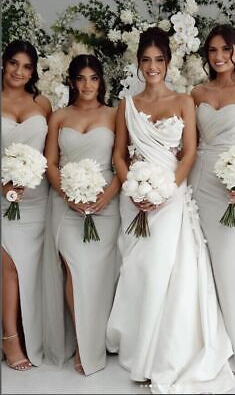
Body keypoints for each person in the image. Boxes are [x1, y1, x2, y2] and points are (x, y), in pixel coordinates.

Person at [106, 27, 235, 394]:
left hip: (171, 195)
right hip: (135, 197)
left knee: (166, 268)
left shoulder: (182, 101)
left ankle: (163, 354)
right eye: (146, 60)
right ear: (138, 63)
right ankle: (139, 348)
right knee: (141, 271)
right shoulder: (127, 105)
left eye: (159, 60)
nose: (152, 67)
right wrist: (132, 187)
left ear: (168, 62)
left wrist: (166, 191)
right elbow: (119, 153)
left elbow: (191, 151)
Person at [188, 24, 235, 373]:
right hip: (200, 178)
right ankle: (206, 344)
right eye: (212, 51)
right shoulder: (196, 92)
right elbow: (187, 143)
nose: (218, 57)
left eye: (224, 50)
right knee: (199, 262)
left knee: (230, 261)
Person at [42, 54, 121, 375]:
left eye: (93, 78)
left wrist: (107, 195)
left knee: (101, 275)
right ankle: (82, 342)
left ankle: (100, 337)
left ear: (101, 81)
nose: (87, 85)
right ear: (72, 82)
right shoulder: (59, 117)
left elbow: (123, 162)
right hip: (66, 204)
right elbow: (50, 163)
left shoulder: (116, 115)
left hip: (106, 204)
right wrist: (67, 193)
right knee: (74, 270)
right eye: (80, 79)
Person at [1, 40, 52, 370]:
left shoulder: (43, 103)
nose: (19, 72)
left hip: (37, 200)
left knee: (31, 270)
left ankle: (28, 330)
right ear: (3, 64)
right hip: (2, 197)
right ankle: (10, 340)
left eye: (27, 66)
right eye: (14, 64)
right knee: (9, 266)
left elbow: (51, 153)